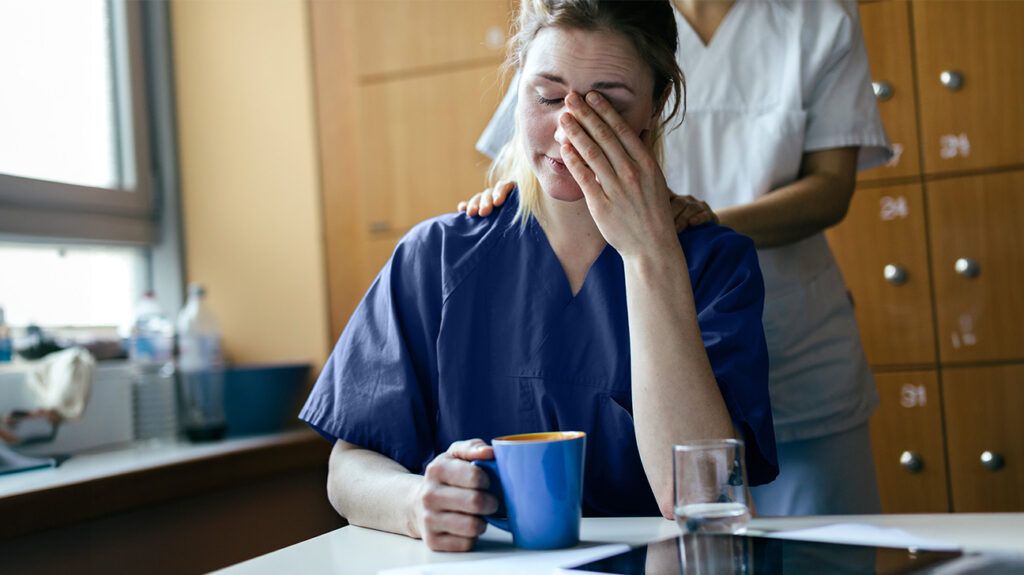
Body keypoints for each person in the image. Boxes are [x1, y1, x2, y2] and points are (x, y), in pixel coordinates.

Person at [300, 0, 777, 552]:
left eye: (607, 105)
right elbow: (347, 467)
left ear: (656, 105)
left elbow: (702, 497)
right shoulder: (436, 256)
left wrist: (650, 258)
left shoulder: (713, 266)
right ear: (517, 89)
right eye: (547, 97)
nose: (568, 128)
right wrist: (415, 503)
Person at [466, 0, 891, 516]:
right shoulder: (606, 12)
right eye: (553, 96)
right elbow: (535, 135)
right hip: (646, 343)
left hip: (794, 345)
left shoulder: (820, 18)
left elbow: (831, 188)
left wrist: (678, 228)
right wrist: (518, 196)